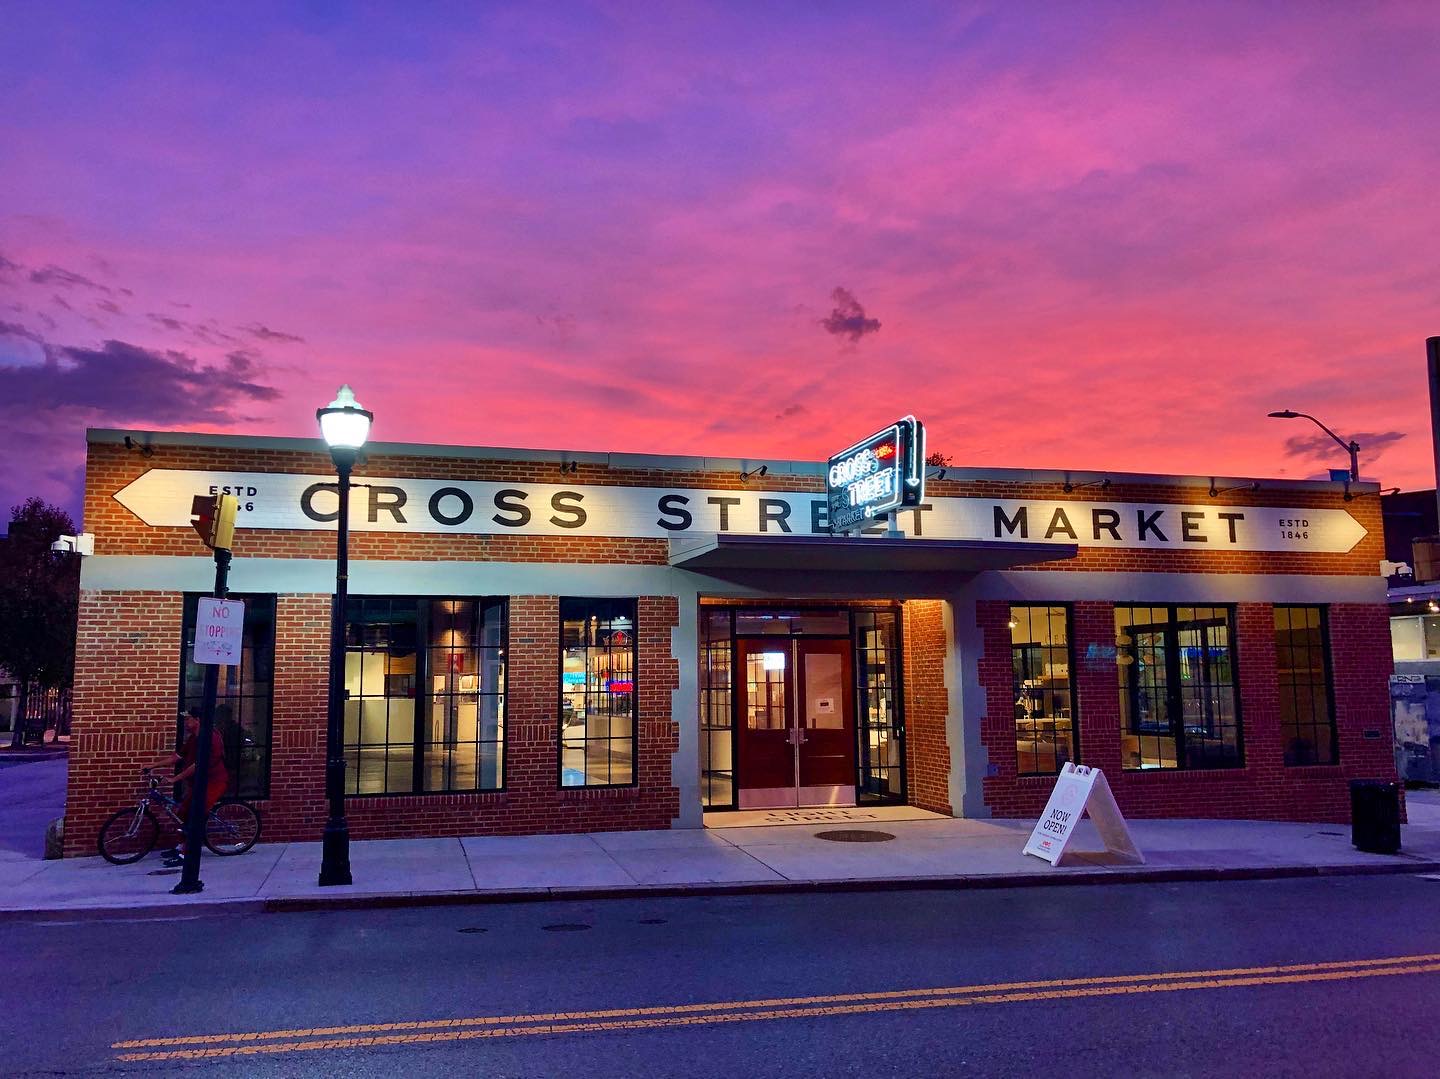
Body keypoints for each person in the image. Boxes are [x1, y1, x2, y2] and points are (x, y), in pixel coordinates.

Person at [152, 706, 228, 866]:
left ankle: (187, 854)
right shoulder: (194, 738)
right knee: (182, 813)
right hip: (199, 784)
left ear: (197, 720)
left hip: (213, 782)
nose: (185, 722)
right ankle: (181, 846)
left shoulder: (210, 738)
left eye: (188, 719)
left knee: (195, 815)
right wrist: (152, 766)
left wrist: (175, 779)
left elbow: (198, 765)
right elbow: (177, 756)